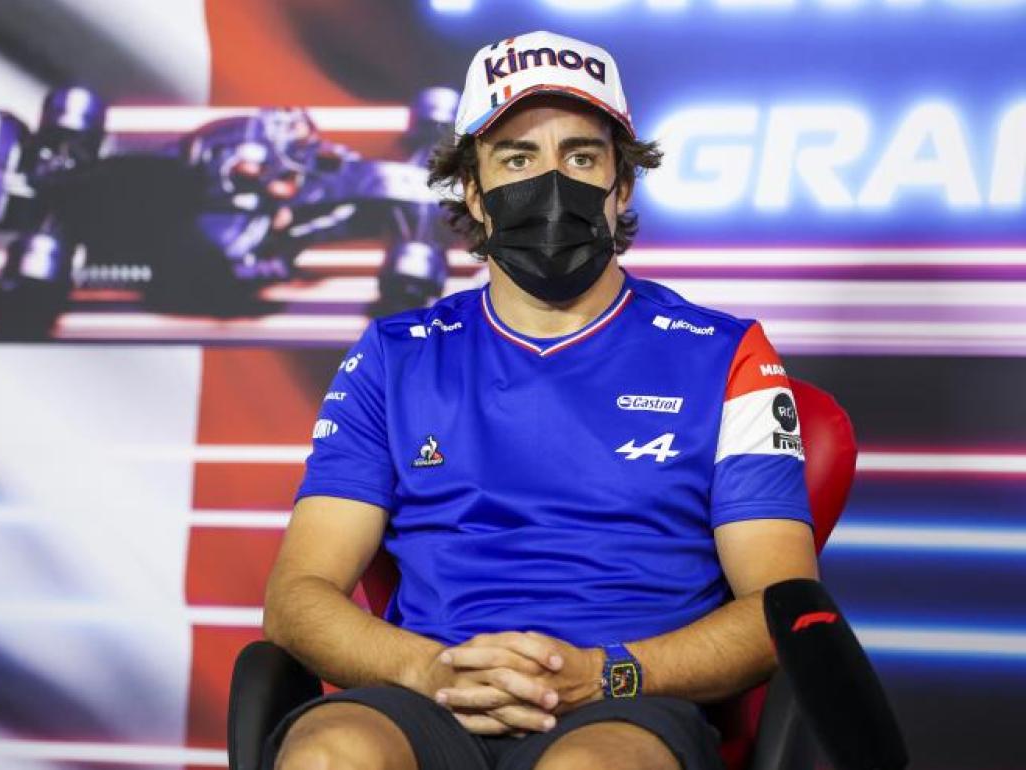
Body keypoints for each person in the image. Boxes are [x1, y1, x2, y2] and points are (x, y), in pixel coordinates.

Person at [260, 30, 818, 770]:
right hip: (431, 691)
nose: (551, 185)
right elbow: (298, 595)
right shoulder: (393, 357)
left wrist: (605, 674)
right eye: (517, 159)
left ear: (622, 187)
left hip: (624, 698)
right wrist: (428, 669)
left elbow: (781, 608)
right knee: (330, 757)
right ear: (473, 191)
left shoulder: (727, 354)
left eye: (581, 158)